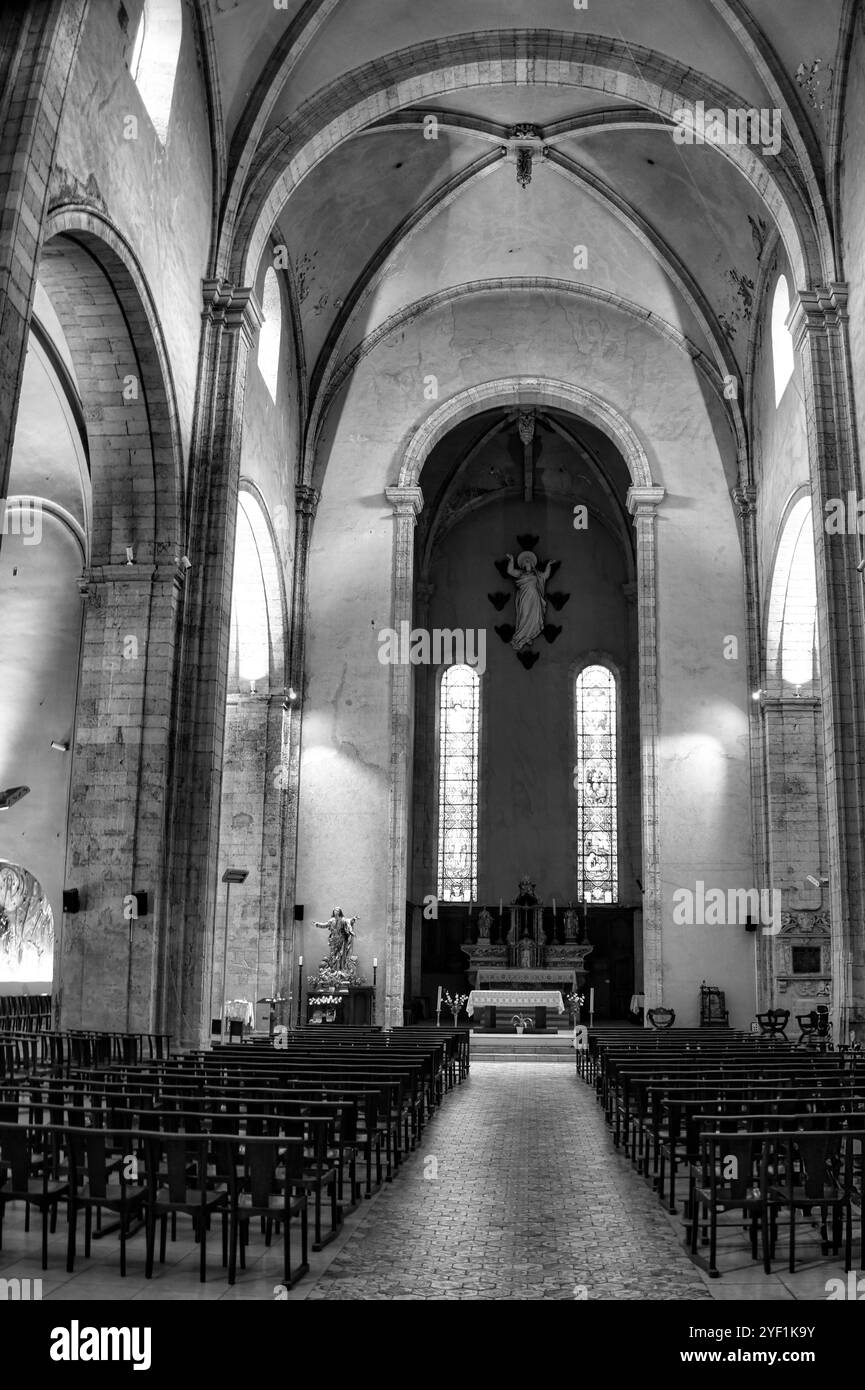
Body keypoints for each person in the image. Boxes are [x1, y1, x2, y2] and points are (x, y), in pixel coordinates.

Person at [506, 551, 553, 651]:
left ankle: (529, 636)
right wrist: (511, 560)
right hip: (525, 597)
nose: (527, 562)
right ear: (523, 564)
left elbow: (546, 575)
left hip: (535, 597)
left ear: (532, 563)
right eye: (525, 561)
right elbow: (510, 571)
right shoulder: (521, 573)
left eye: (529, 560)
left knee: (534, 616)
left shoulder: (536, 574)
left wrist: (548, 565)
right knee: (525, 614)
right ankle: (521, 636)